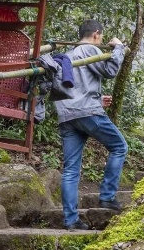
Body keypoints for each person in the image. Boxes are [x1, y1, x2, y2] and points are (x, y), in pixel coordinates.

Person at [54, 19, 128, 231]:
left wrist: (97, 98)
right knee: (119, 146)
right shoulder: (89, 50)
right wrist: (119, 48)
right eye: (102, 37)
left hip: (67, 116)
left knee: (70, 171)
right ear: (96, 34)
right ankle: (107, 196)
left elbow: (76, 86)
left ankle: (71, 220)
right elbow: (111, 70)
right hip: (86, 113)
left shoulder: (67, 56)